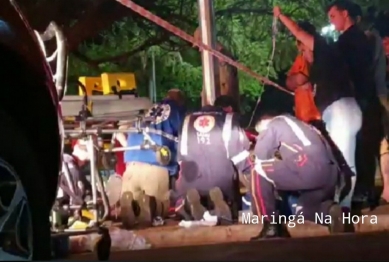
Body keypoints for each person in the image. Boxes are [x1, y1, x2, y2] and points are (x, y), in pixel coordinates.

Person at [274, 7, 362, 210]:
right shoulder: (326, 65)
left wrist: (280, 16)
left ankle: (342, 207)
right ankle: (338, 204)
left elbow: (297, 31)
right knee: (341, 160)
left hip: (341, 111)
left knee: (343, 162)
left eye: (304, 49)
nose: (304, 53)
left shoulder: (323, 48)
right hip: (344, 111)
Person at [245, 110, 342, 239]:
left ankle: (270, 226)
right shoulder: (307, 126)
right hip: (330, 173)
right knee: (303, 211)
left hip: (306, 168)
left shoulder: (273, 125)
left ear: (263, 123)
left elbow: (260, 157)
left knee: (257, 170)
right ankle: (329, 213)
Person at [326, 0, 380, 204]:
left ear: (344, 13)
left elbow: (353, 72)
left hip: (357, 98)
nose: (332, 22)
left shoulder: (351, 41)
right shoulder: (356, 39)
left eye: (333, 16)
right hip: (360, 97)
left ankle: (359, 192)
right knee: (360, 147)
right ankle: (360, 191)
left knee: (358, 148)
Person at [171, 95, 250, 221]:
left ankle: (189, 205)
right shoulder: (229, 120)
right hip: (221, 181)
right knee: (230, 202)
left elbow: (181, 157)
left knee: (186, 191)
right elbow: (241, 158)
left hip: (191, 180)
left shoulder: (187, 120)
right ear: (229, 109)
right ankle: (223, 203)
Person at [120, 89, 186, 228]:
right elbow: (184, 140)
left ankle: (130, 203)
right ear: (180, 100)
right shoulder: (178, 111)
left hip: (132, 162)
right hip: (156, 164)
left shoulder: (146, 108)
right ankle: (152, 205)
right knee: (159, 209)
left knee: (134, 204)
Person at [193, 28, 240, 107]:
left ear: (205, 41)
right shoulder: (212, 61)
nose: (200, 50)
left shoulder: (223, 59)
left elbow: (226, 86)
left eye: (199, 46)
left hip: (224, 109)